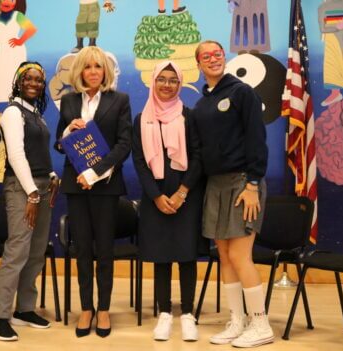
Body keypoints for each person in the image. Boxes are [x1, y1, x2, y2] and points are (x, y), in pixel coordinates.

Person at [192, 40, 273, 348]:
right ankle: (237, 321)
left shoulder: (242, 92)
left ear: (224, 58)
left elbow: (256, 139)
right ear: (198, 64)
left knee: (240, 255)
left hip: (243, 184)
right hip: (216, 185)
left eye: (217, 54)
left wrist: (253, 184)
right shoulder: (201, 104)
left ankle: (260, 323)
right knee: (225, 256)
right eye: (206, 56)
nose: (213, 59)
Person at [55, 46, 132, 338]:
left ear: (106, 71)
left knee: (105, 250)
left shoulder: (120, 100)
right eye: (87, 67)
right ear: (80, 72)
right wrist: (67, 131)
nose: (93, 72)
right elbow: (60, 145)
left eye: (98, 67)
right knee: (83, 249)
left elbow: (124, 144)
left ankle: (103, 310)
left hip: (106, 186)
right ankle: (86, 308)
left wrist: (95, 172)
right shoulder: (69, 101)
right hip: (76, 186)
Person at [131, 61, 203, 342]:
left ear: (180, 84)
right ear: (153, 82)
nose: (167, 85)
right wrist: (157, 196)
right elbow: (139, 162)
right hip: (155, 197)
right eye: (162, 79)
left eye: (173, 80)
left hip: (187, 194)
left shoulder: (190, 116)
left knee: (186, 255)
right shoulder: (141, 119)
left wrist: (182, 192)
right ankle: (164, 313)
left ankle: (187, 314)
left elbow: (198, 157)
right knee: (161, 257)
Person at [0, 62, 60, 341]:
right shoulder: (12, 112)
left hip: (41, 186)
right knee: (18, 249)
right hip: (22, 189)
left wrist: (51, 175)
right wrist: (31, 192)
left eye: (38, 80)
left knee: (36, 251)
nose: (33, 83)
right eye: (28, 78)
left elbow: (36, 154)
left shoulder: (36, 114)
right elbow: (16, 156)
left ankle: (25, 309)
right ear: (18, 82)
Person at [0, 0, 36, 117]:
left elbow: (31, 29)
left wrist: (20, 41)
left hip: (15, 53)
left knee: (15, 78)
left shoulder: (17, 16)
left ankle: (16, 105)